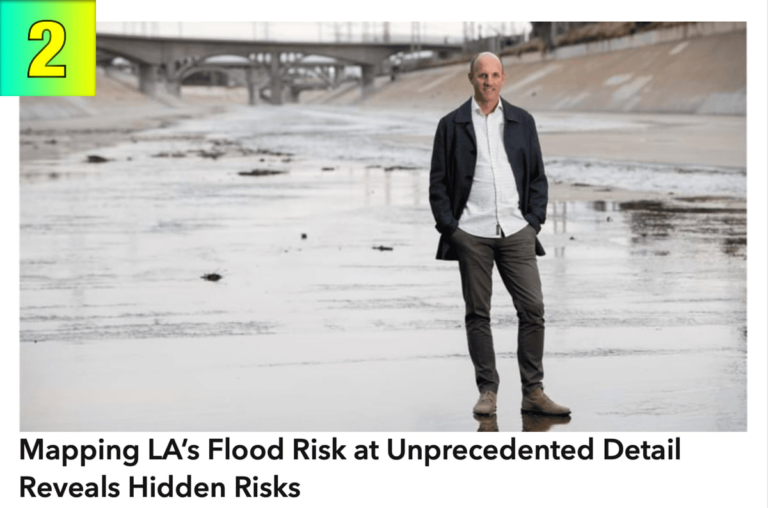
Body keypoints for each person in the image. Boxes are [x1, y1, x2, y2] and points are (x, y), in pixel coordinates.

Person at [429, 52, 570, 417]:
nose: (488, 81)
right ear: (471, 78)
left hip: (516, 230)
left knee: (533, 309)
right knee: (478, 314)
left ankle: (533, 391)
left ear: (504, 78)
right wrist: (452, 229)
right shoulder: (451, 124)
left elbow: (538, 178)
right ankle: (487, 391)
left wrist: (533, 222)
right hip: (470, 232)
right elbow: (438, 184)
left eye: (494, 75)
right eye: (482, 76)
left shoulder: (523, 121)